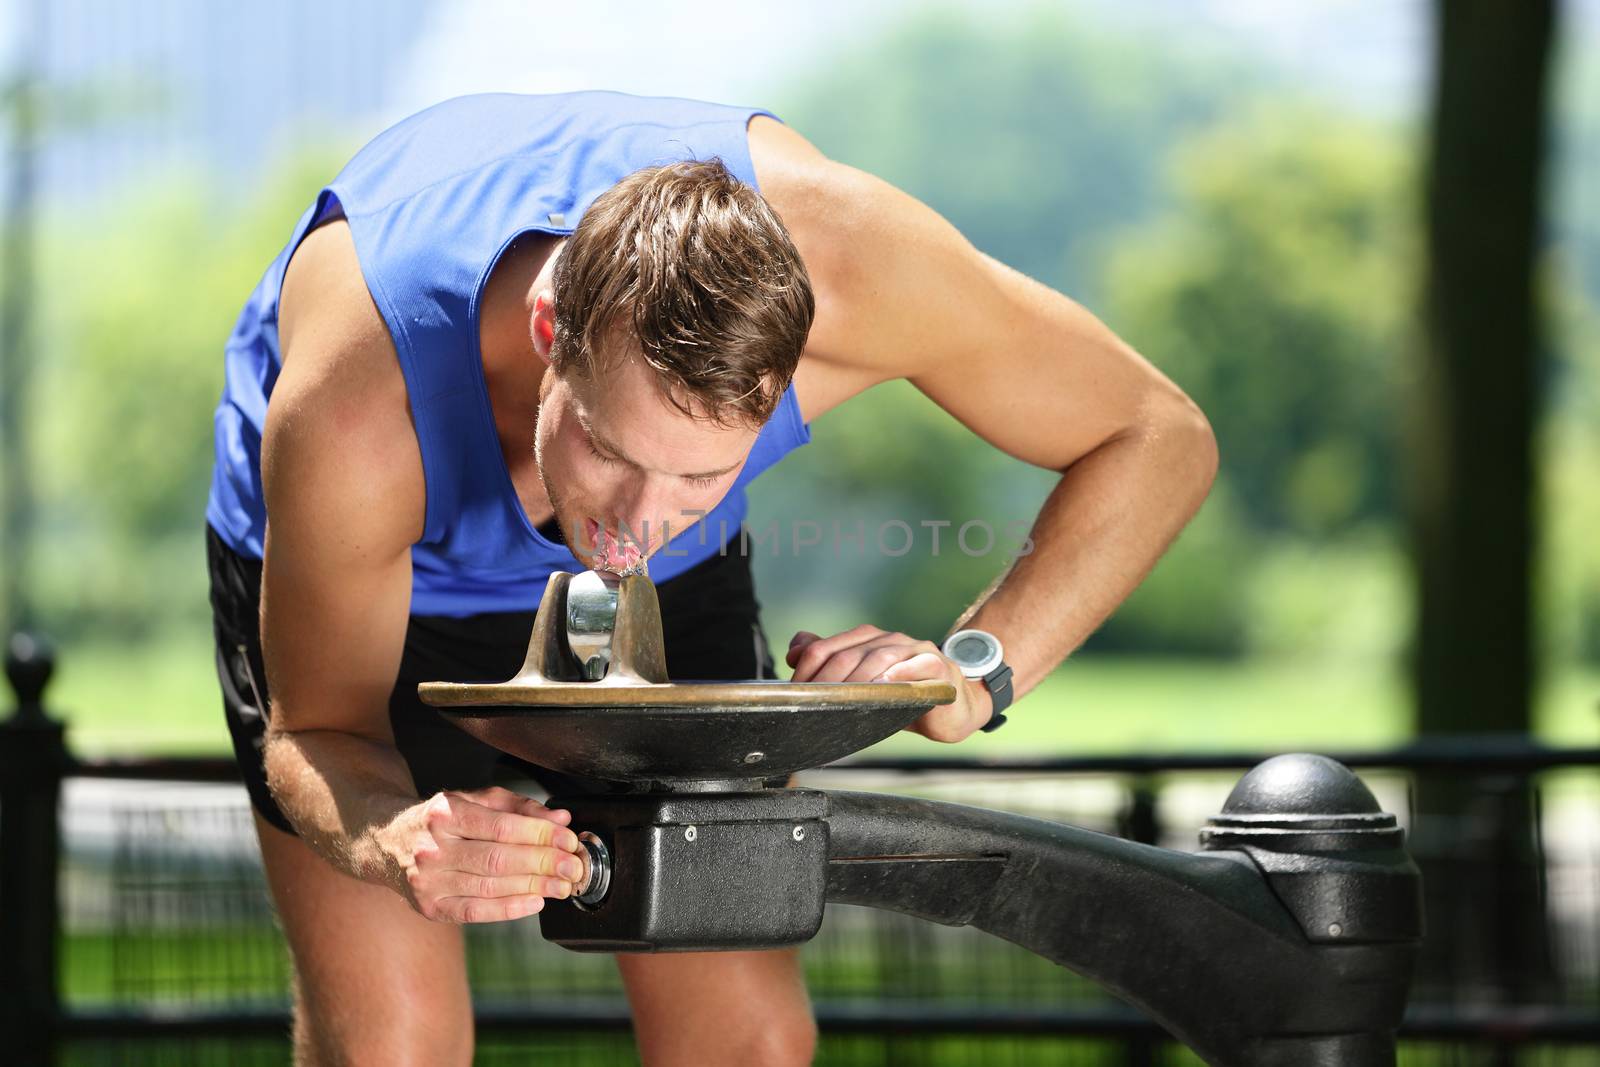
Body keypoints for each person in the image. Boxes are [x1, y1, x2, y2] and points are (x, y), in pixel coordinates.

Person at [205, 90, 1216, 1067]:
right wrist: (391, 839)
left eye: (701, 471)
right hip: (372, 572)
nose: (634, 523)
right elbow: (316, 731)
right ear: (550, 332)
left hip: (684, 590)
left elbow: (1154, 434)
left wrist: (969, 677)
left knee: (750, 1041)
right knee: (393, 1046)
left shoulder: (866, 274)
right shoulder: (359, 392)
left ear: (794, 378)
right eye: (609, 446)